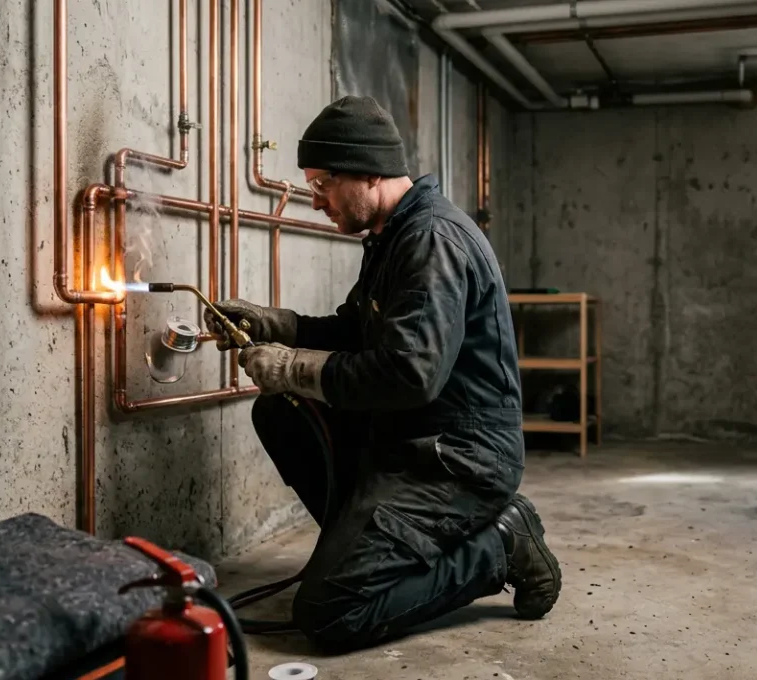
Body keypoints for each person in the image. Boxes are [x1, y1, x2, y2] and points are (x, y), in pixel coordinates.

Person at [204, 95, 561, 653]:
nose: (315, 198)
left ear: (368, 172)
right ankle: (366, 549)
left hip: (457, 459)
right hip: (406, 439)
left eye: (322, 182)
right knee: (280, 412)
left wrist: (292, 366)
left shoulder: (431, 242)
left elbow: (407, 374)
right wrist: (275, 323)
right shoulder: (392, 236)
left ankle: (498, 545)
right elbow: (355, 330)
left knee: (330, 613)